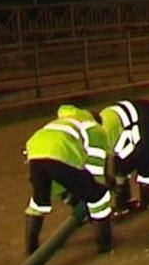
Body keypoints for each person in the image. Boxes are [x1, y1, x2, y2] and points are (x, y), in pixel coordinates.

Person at [24, 105, 113, 254]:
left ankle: (31, 248)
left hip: (35, 153)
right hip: (61, 154)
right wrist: (102, 187)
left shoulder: (66, 121)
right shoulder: (96, 129)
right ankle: (104, 245)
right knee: (98, 196)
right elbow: (95, 170)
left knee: (40, 200)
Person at [97, 99, 149, 215]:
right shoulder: (98, 136)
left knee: (144, 157)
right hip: (129, 119)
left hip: (145, 117)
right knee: (121, 163)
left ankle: (145, 200)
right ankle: (123, 201)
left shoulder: (100, 140)